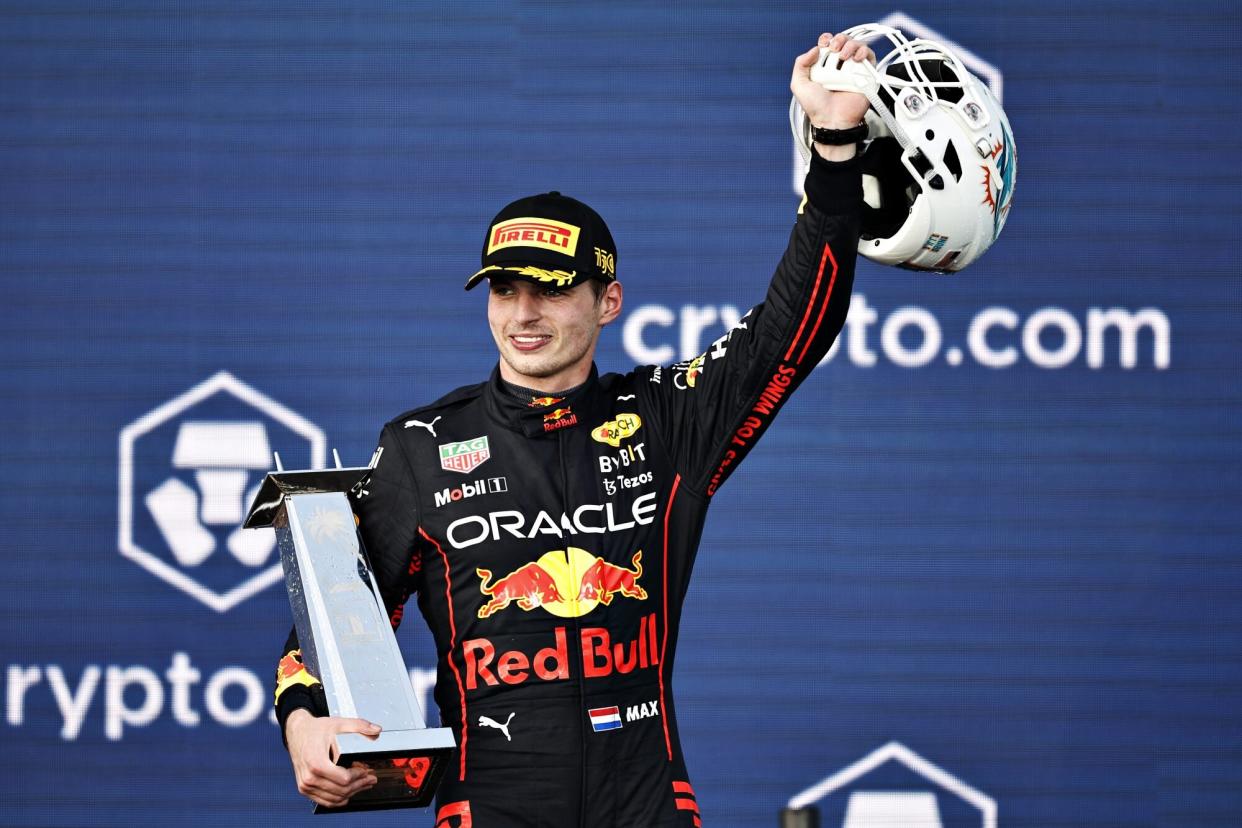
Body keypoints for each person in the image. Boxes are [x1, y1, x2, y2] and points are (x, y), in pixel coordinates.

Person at [275, 31, 875, 827]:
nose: (522, 315)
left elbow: (793, 330)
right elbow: (330, 620)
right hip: (491, 803)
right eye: (504, 290)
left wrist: (833, 148)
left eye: (551, 292)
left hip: (645, 799)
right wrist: (302, 722)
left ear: (608, 301)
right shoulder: (420, 446)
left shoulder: (665, 421)